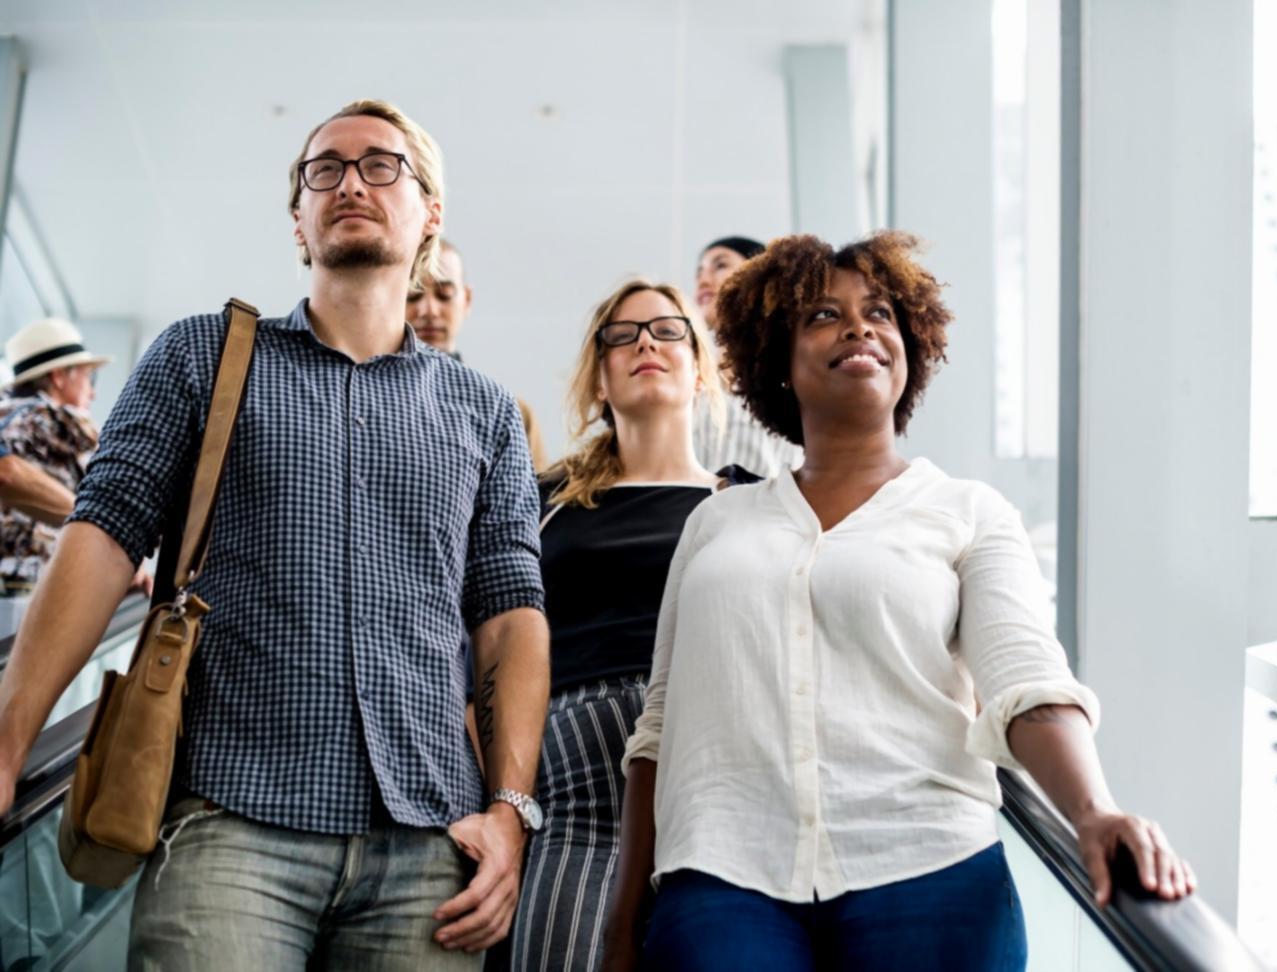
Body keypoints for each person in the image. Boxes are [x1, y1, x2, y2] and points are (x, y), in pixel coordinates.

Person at [0, 99, 550, 968]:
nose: (348, 183)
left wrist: (512, 808)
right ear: (299, 220)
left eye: (382, 165)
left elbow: (511, 616)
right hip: (228, 824)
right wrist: (7, 742)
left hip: (428, 842)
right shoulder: (200, 357)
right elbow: (102, 534)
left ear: (431, 215)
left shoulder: (485, 414)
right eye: (321, 170)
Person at [603, 232, 1197, 972]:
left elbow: (1027, 681)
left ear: (909, 347)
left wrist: (1094, 811)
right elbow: (659, 726)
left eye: (880, 312)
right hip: (723, 881)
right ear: (777, 363)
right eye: (823, 315)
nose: (859, 327)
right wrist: (622, 919)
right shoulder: (715, 522)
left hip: (931, 872)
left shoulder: (969, 511)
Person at [510, 279, 748, 972]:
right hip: (574, 806)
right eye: (622, 335)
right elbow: (488, 639)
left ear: (699, 367)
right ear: (600, 377)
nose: (646, 341)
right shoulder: (544, 500)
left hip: (716, 802)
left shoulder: (750, 502)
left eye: (668, 330)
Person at [406, 238, 550, 471]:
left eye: (444, 294)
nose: (429, 310)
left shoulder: (508, 414)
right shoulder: (365, 404)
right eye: (413, 294)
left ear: (467, 299)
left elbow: (536, 505)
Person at [0, 319, 110, 593]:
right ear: (59, 377)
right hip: (35, 585)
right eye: (88, 377)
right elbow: (109, 497)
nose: (93, 392)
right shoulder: (66, 422)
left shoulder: (7, 414)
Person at [689, 236, 801, 477]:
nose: (703, 280)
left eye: (720, 265)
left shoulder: (794, 374)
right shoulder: (685, 381)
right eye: (699, 272)